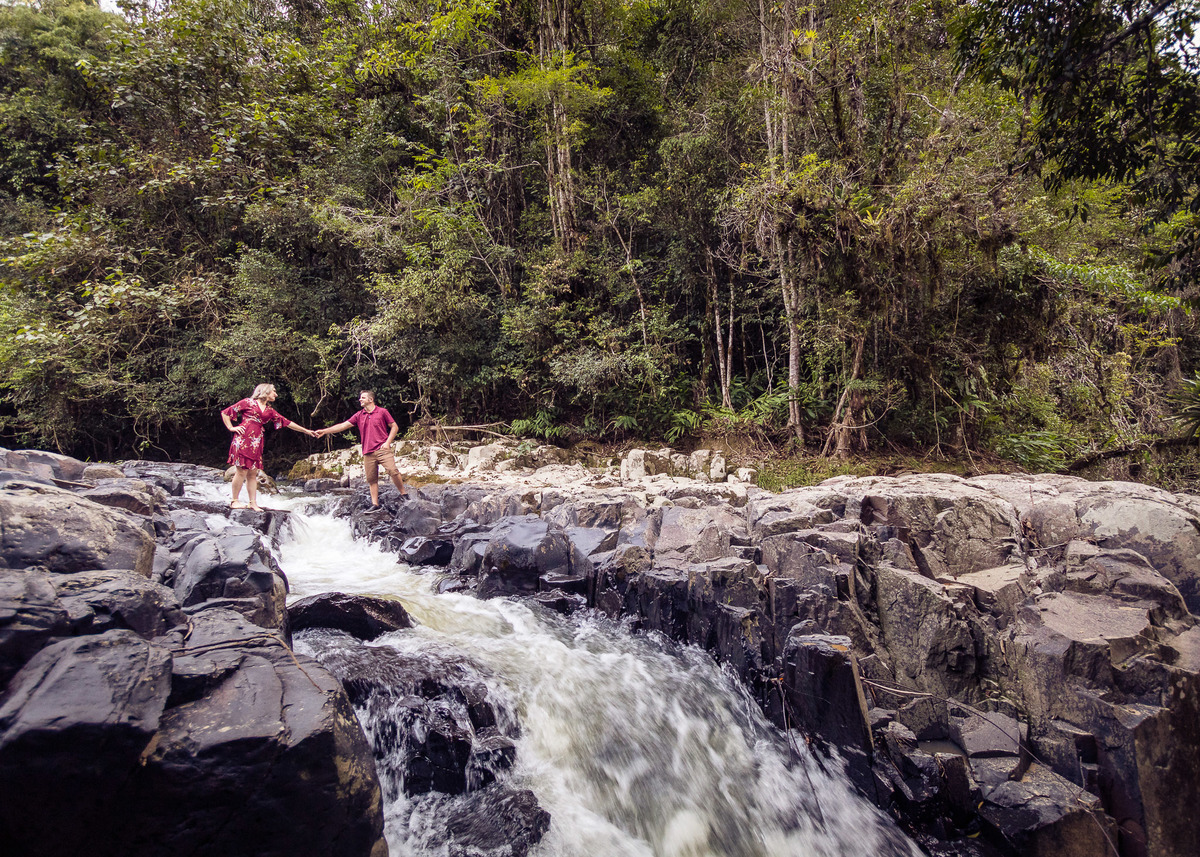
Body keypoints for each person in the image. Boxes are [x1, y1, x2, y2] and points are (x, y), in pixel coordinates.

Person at [221, 383, 316, 510]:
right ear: (265, 391)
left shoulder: (269, 410)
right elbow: (226, 413)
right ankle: (234, 501)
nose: (276, 394)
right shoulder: (247, 402)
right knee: (241, 471)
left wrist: (306, 431)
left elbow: (286, 422)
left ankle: (252, 503)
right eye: (274, 391)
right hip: (243, 439)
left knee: (253, 473)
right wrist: (231, 427)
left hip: (256, 442)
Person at [316, 390, 409, 510]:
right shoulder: (359, 415)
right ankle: (375, 504)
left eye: (363, 398)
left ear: (371, 400)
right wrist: (324, 431)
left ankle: (404, 494)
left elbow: (394, 426)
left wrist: (387, 443)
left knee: (393, 471)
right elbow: (343, 425)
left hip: (382, 449)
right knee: (371, 479)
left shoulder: (382, 412)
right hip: (367, 452)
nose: (360, 400)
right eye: (360, 398)